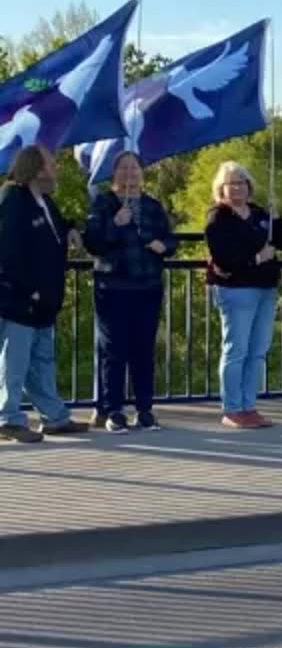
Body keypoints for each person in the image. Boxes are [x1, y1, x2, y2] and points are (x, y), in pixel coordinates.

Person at [0, 145, 89, 443]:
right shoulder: (13, 199)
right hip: (20, 300)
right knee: (15, 362)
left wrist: (72, 229)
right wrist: (28, 290)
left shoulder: (44, 200)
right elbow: (10, 252)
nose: (56, 169)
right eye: (52, 164)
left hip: (45, 300)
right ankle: (8, 418)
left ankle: (55, 417)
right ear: (36, 169)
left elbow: (56, 229)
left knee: (42, 362)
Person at [83, 151, 177, 433]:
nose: (129, 173)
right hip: (113, 287)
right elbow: (93, 243)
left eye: (134, 168)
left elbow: (170, 238)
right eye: (123, 169)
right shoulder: (103, 203)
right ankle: (113, 411)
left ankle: (145, 409)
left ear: (141, 173)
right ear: (114, 174)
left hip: (147, 286)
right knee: (114, 350)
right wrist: (115, 224)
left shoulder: (152, 205)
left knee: (143, 350)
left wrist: (165, 246)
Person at [204, 161, 282, 429]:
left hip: (266, 288)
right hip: (236, 290)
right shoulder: (218, 217)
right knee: (236, 350)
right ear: (222, 188)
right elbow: (223, 257)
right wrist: (256, 258)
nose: (237, 188)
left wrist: (277, 219)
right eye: (232, 183)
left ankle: (249, 405)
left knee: (257, 351)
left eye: (241, 182)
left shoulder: (258, 214)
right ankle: (232, 408)